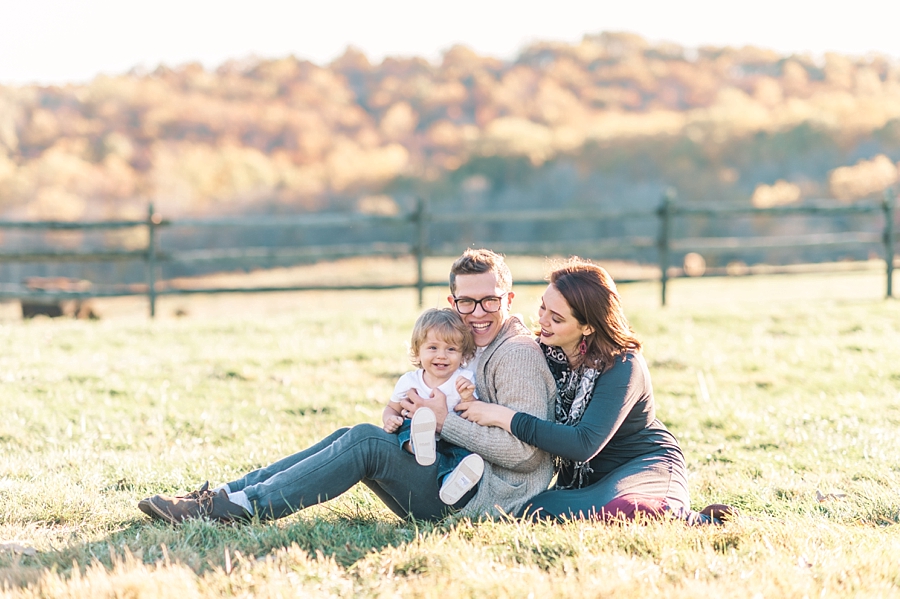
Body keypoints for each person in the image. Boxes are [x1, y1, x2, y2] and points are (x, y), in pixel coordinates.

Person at [139, 248, 557, 524]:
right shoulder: (474, 344)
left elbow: (526, 453)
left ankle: (238, 509)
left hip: (477, 498)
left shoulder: (515, 354)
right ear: (452, 303)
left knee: (363, 443)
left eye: (490, 301)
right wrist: (403, 414)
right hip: (450, 476)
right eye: (467, 302)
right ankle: (228, 494)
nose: (478, 312)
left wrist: (444, 420)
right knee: (355, 436)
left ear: (509, 300)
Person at [455, 258, 732, 524]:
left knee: (626, 509)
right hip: (585, 481)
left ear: (587, 326)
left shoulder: (623, 365)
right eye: (543, 308)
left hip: (642, 467)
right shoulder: (542, 352)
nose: (543, 322)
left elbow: (582, 444)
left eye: (557, 318)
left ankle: (702, 520)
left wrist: (503, 417)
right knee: (536, 510)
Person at [382, 307, 485, 505]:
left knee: (461, 456)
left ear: (463, 355)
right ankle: (417, 444)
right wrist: (390, 420)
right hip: (412, 437)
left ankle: (451, 483)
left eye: (451, 349)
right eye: (433, 348)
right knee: (406, 425)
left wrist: (468, 397)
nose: (442, 356)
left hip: (449, 439)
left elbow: (474, 414)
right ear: (417, 351)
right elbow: (391, 408)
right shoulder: (409, 382)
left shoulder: (463, 379)